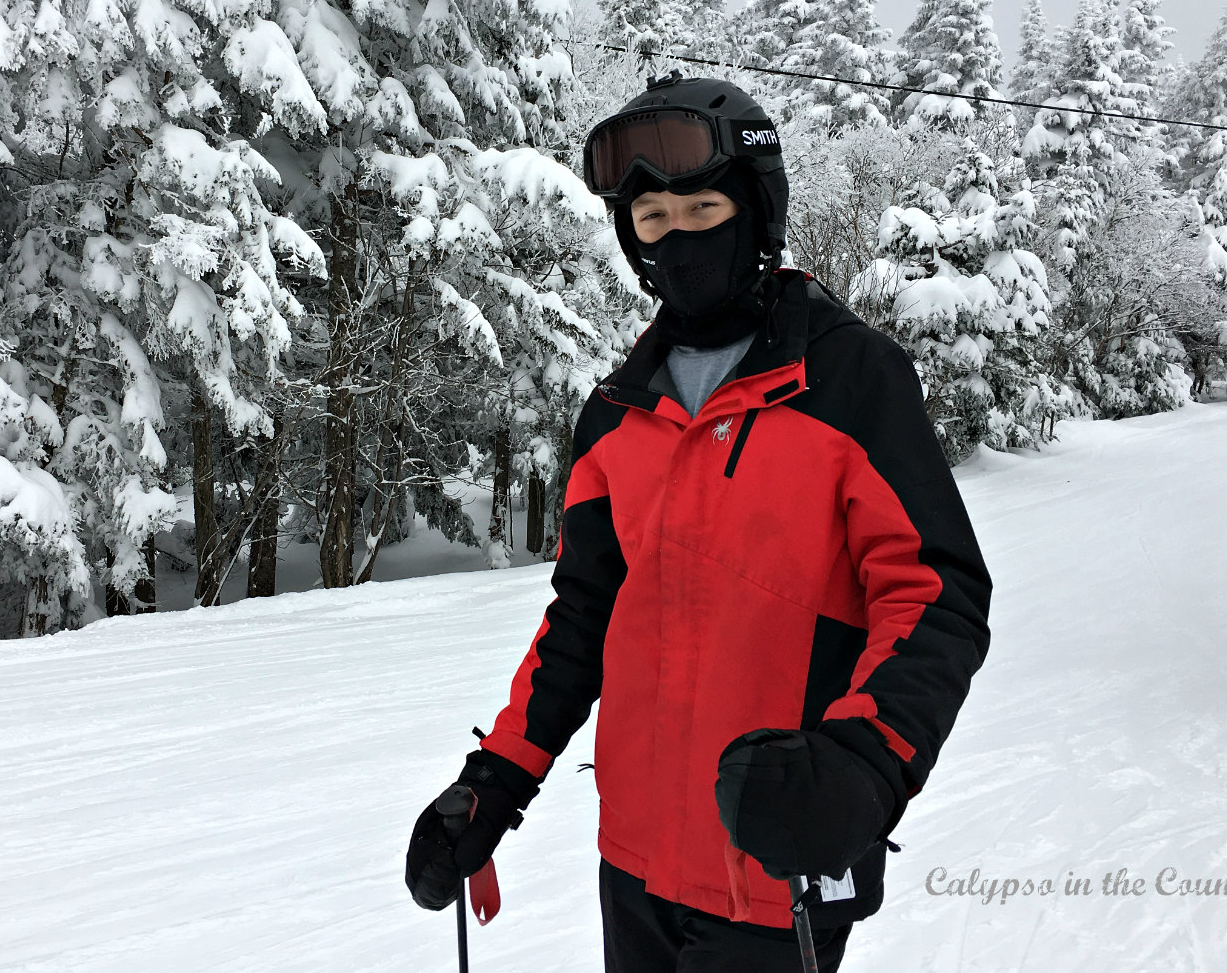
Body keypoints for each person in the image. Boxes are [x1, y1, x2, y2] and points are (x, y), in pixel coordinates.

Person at [405, 72, 992, 972]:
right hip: (635, 869)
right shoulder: (617, 412)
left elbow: (934, 598)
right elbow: (582, 622)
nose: (677, 240)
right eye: (651, 222)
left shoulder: (850, 382)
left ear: (756, 210)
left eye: (702, 208)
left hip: (777, 862)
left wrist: (864, 763)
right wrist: (498, 779)